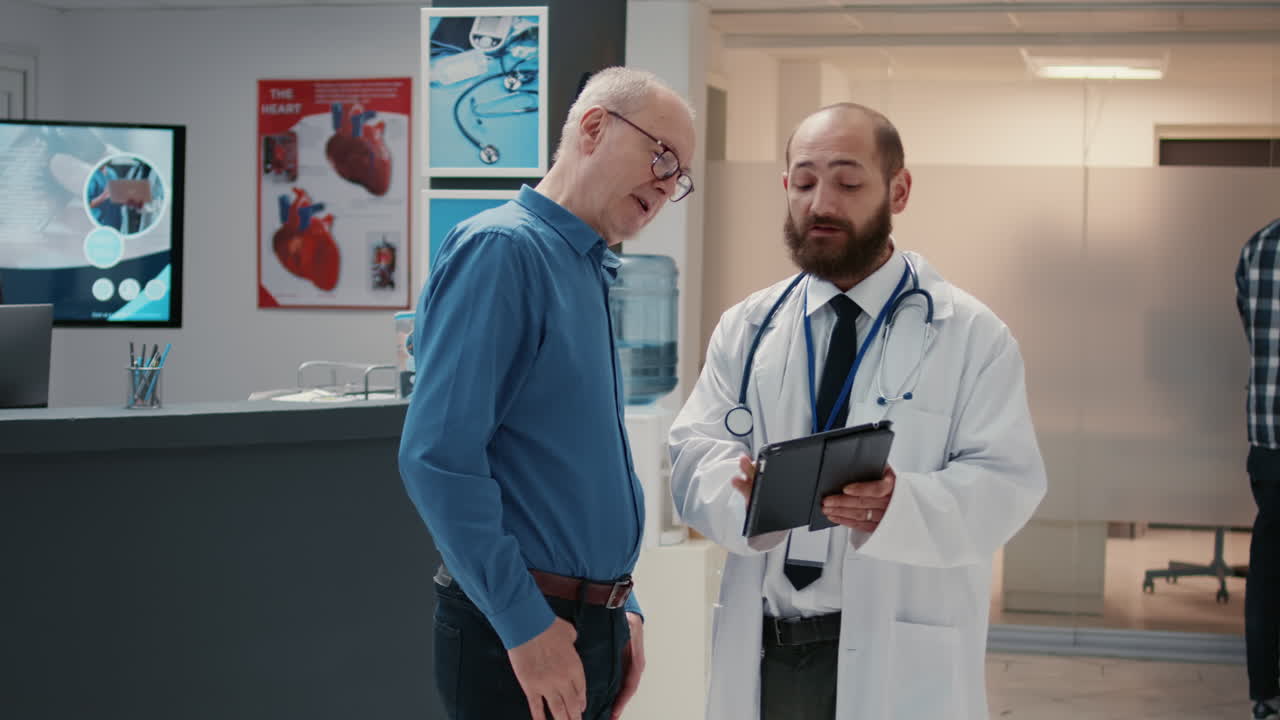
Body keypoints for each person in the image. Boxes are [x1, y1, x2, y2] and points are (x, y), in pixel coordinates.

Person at [667, 103, 1047, 720]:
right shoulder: (748, 327)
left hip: (900, 657)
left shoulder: (972, 336)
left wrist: (900, 506)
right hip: (770, 653)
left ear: (898, 190)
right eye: (805, 180)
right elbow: (691, 454)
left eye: (847, 182)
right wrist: (743, 495)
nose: (822, 203)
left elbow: (1008, 483)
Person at [398, 67, 696, 720]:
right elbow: (438, 458)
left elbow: (576, 467)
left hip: (587, 621)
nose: (668, 184)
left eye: (680, 177)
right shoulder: (503, 251)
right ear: (594, 127)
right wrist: (524, 626)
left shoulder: (585, 266)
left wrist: (624, 606)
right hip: (520, 627)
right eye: (664, 156)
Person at [1235, 217, 1280, 720]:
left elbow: (1254, 331)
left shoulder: (1260, 247)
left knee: (1269, 569)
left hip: (1270, 438)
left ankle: (1266, 694)